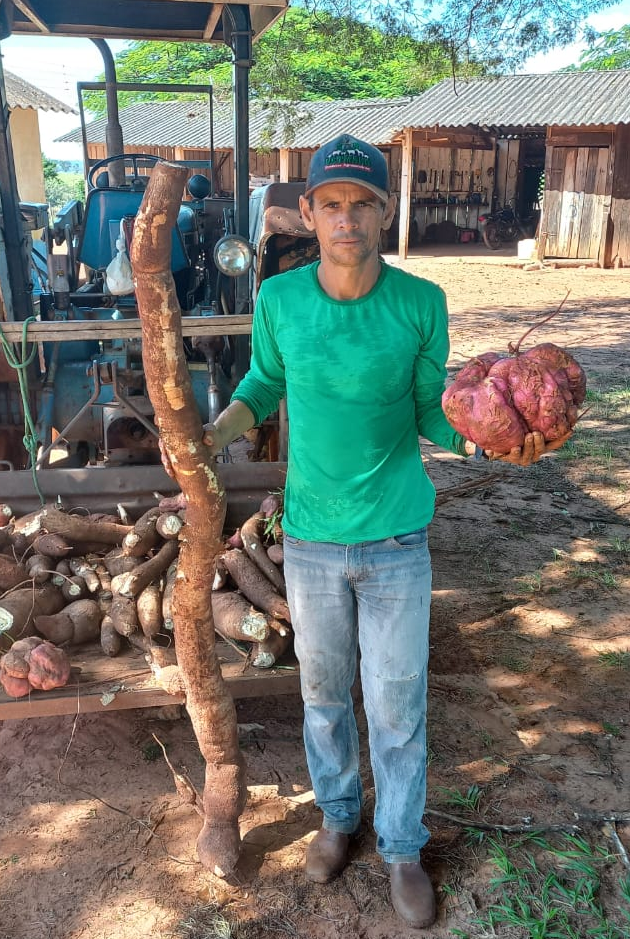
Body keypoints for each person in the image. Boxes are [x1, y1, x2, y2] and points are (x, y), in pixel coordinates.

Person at [202, 134, 564, 928]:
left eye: (364, 202)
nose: (347, 217)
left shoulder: (420, 303)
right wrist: (217, 426)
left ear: (386, 211)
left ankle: (401, 845)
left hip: (398, 539)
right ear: (308, 212)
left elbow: (434, 405)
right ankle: (339, 819)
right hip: (311, 542)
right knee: (325, 696)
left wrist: (487, 437)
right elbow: (262, 384)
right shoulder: (280, 301)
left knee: (398, 705)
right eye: (332, 203)